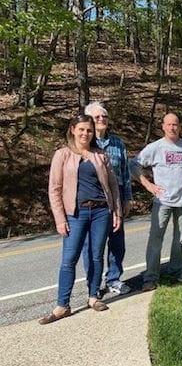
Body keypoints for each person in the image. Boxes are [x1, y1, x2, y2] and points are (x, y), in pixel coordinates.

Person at [40, 114, 122, 325]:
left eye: (89, 130)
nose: (86, 133)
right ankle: (62, 305)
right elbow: (54, 189)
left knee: (96, 256)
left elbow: (113, 186)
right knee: (69, 259)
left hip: (101, 212)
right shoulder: (63, 155)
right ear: (73, 130)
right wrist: (60, 218)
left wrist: (116, 212)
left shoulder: (100, 155)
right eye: (82, 129)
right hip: (75, 214)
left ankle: (93, 297)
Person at [130, 113, 182, 292]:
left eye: (175, 124)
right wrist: (148, 185)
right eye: (169, 124)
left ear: (179, 127)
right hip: (162, 201)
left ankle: (176, 272)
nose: (172, 127)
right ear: (163, 126)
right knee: (156, 239)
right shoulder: (155, 147)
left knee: (180, 239)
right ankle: (150, 277)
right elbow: (134, 165)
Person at [82, 101, 133, 295]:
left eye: (104, 116)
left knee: (117, 241)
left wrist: (127, 198)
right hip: (94, 200)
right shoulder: (84, 144)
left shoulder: (118, 143)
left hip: (117, 197)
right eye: (97, 117)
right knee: (93, 245)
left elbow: (125, 173)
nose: (102, 120)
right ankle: (93, 284)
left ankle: (114, 279)